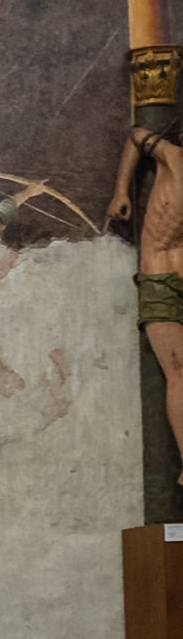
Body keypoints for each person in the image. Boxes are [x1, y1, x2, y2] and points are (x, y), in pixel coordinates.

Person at [109, 124, 183, 482]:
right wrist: (120, 190)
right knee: (178, 369)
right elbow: (136, 135)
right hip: (160, 276)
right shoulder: (173, 157)